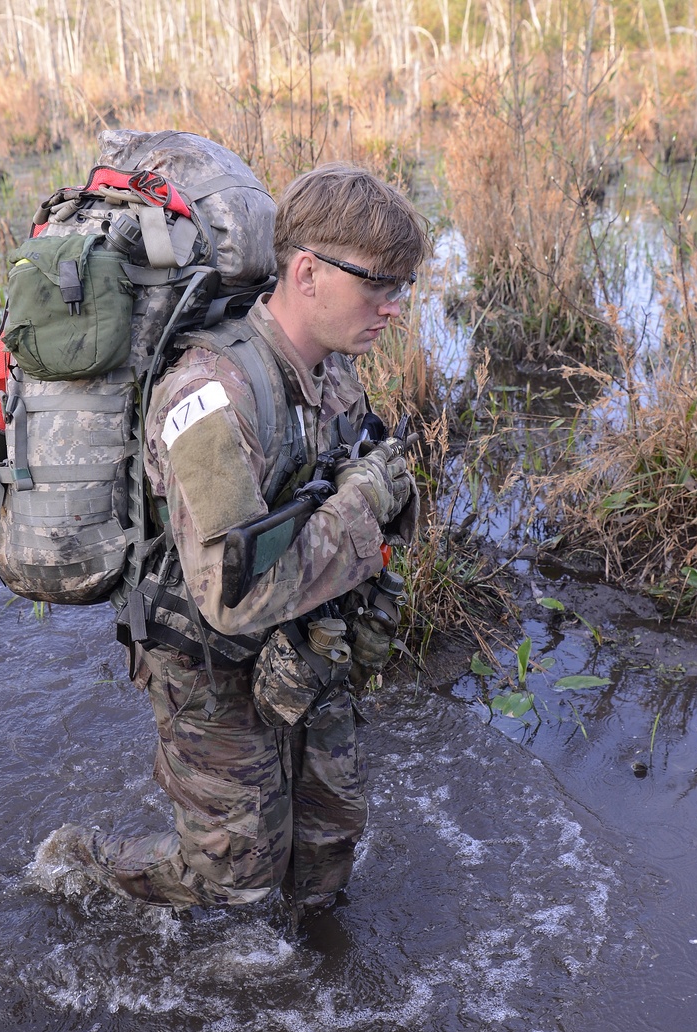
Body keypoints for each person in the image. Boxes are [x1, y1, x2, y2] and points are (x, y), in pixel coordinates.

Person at [62, 162, 431, 924]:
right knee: (235, 874)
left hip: (303, 643)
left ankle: (312, 971)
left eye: (403, 289)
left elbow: (342, 494)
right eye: (380, 286)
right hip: (208, 658)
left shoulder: (333, 376)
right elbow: (232, 599)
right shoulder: (210, 396)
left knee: (329, 841)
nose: (394, 308)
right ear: (307, 272)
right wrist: (365, 500)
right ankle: (81, 868)